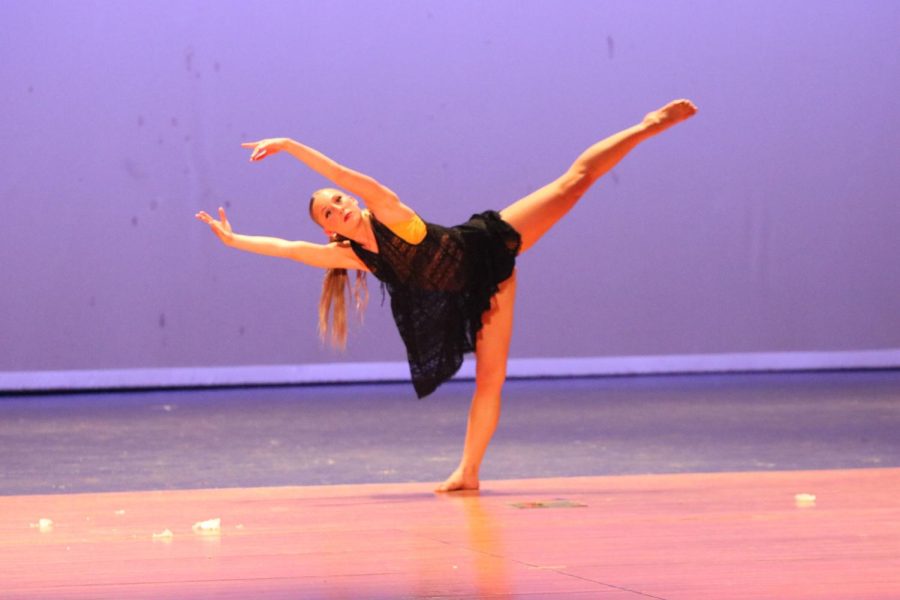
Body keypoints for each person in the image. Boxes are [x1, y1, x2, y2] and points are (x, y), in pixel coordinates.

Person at [196, 99, 698, 492]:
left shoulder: (386, 208)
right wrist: (235, 240)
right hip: (477, 294)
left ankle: (648, 125)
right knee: (490, 381)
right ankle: (469, 472)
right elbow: (290, 250)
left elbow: (345, 176)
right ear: (333, 232)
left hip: (484, 248)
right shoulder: (356, 257)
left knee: (573, 183)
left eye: (339, 201)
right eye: (329, 213)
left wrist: (289, 143)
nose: (340, 206)